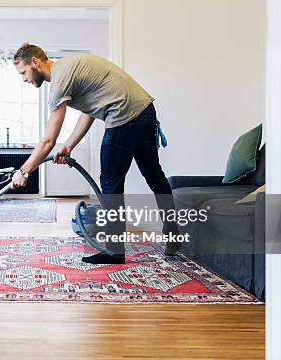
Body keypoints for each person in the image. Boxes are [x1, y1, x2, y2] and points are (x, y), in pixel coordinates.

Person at [10, 43, 179, 264]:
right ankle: (173, 234)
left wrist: (24, 171)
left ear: (35, 62)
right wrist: (69, 145)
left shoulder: (60, 80)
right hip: (144, 110)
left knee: (110, 182)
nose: (24, 78)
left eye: (23, 72)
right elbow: (89, 113)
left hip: (123, 116)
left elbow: (48, 140)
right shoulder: (70, 68)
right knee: (154, 175)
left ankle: (114, 251)